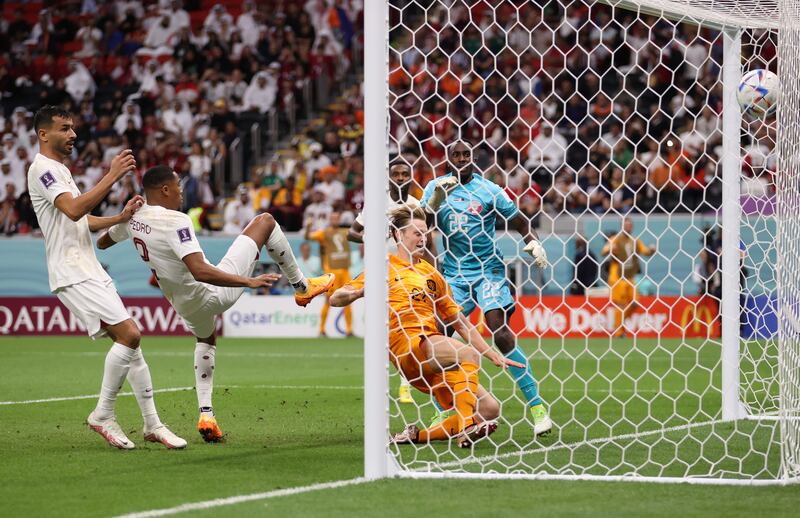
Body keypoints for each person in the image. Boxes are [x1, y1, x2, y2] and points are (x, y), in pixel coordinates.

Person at [98, 165, 335, 442]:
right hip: (211, 293)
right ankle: (303, 287)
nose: (181, 193)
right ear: (164, 190)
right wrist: (247, 282)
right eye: (178, 186)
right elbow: (199, 270)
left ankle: (207, 414)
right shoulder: (176, 220)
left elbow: (102, 242)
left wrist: (123, 216)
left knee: (205, 337)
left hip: (184, 304)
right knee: (266, 221)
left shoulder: (134, 217)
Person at [28, 105, 185, 450]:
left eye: (73, 128)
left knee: (132, 347)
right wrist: (111, 175)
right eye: (65, 128)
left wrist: (120, 216)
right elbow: (73, 209)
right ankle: (102, 414)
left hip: (87, 266)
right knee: (129, 334)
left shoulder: (61, 171)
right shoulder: (43, 170)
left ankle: (152, 425)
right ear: (44, 134)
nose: (72, 134)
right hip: (71, 269)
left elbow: (80, 221)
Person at [330, 207, 523, 446]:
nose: (423, 238)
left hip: (431, 349)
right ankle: (466, 427)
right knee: (467, 353)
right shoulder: (383, 267)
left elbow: (460, 322)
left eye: (426, 233)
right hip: (406, 344)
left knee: (490, 408)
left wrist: (493, 355)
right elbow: (335, 298)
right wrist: (360, 292)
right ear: (398, 235)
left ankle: (415, 436)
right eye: (417, 233)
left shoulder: (432, 274)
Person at [420, 140, 552, 436]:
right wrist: (433, 204)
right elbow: (421, 227)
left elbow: (518, 219)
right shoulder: (435, 188)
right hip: (453, 275)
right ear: (448, 159)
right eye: (456, 155)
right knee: (437, 338)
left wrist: (531, 241)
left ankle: (537, 406)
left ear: (473, 158)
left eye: (467, 154)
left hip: (488, 271)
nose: (462, 159)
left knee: (499, 330)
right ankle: (444, 411)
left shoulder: (490, 190)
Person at [348, 161, 421, 404]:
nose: (400, 177)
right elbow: (352, 232)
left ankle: (405, 386)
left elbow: (424, 239)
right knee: (382, 329)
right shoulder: (377, 203)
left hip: (406, 271)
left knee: (407, 327)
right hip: (380, 270)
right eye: (396, 174)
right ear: (389, 177)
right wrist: (370, 237)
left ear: (411, 177)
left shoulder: (415, 205)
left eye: (404, 173)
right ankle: (379, 384)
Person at [600, 216, 656, 336]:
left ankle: (620, 325)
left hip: (629, 276)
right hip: (617, 276)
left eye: (630, 225)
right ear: (622, 226)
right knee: (620, 305)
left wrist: (652, 250)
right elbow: (603, 251)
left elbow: (646, 252)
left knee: (635, 302)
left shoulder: (635, 241)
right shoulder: (615, 239)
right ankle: (619, 332)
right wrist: (609, 248)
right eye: (626, 225)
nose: (628, 227)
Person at [305, 211, 352, 337]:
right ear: (330, 220)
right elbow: (307, 237)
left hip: (345, 270)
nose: (335, 220)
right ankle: (321, 329)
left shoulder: (345, 231)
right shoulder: (324, 233)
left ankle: (349, 330)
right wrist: (309, 226)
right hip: (331, 273)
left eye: (337, 218)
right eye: (333, 218)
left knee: (348, 299)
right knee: (328, 301)